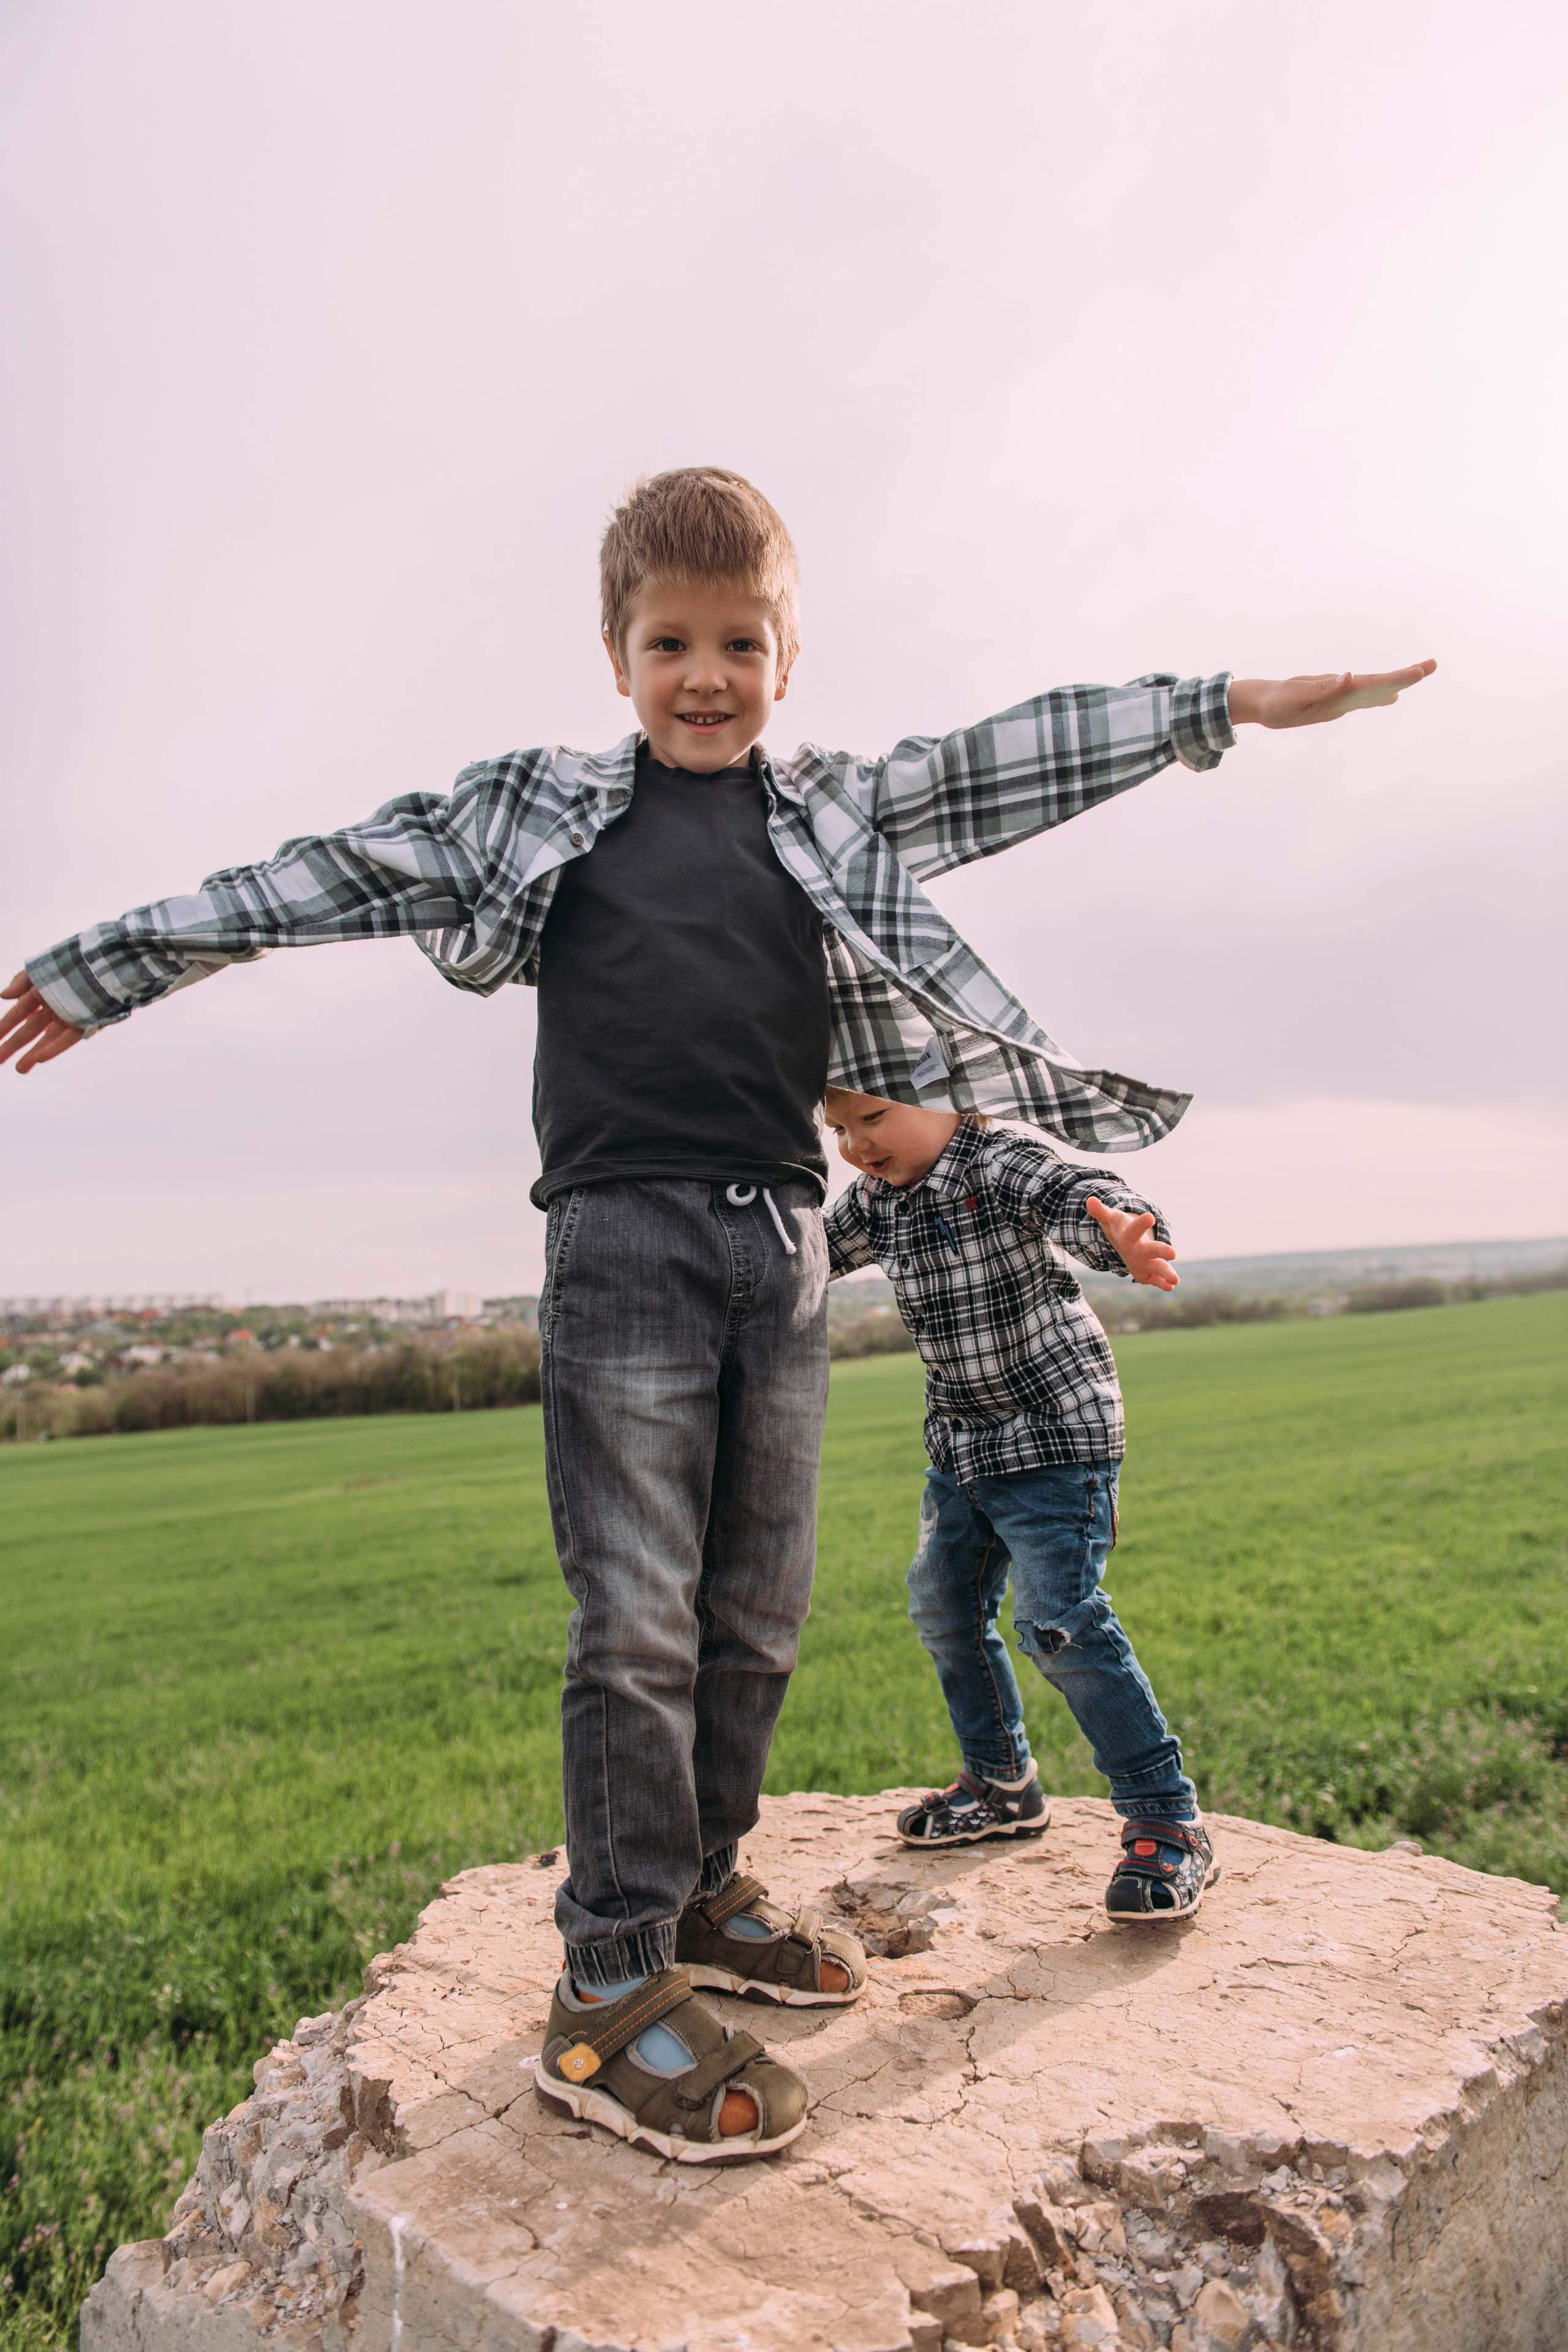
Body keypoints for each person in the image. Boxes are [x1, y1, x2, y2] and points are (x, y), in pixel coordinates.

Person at [0, 467, 1433, 2152]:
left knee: (755, 1609)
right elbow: (326, 874)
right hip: (620, 1243)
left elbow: (1006, 756)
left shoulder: (825, 811)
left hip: (781, 1247)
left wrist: (1228, 707)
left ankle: (694, 1896)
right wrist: (113, 964)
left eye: (739, 642)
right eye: (670, 641)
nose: (705, 674)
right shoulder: (536, 806)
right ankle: (605, 1990)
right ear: (617, 656)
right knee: (638, 1619)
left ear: (786, 654)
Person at [823, 1087, 1216, 1921]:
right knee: (943, 1608)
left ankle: (1166, 1818)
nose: (857, 1144)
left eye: (874, 1119)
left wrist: (1125, 1234)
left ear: (950, 1104)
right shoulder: (873, 1203)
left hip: (1056, 1437)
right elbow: (805, 1254)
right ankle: (1002, 1783)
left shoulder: (996, 1164)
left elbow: (1075, 1194)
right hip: (963, 1447)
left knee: (1058, 1620)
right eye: (838, 1131)